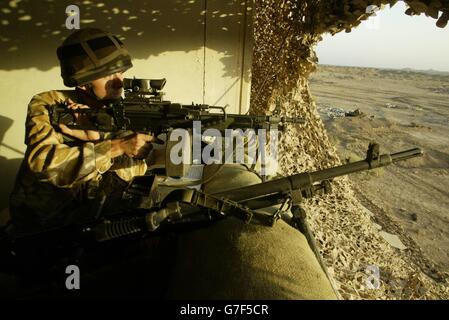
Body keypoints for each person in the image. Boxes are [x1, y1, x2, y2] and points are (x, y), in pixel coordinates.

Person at [8, 28, 157, 236]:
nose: (119, 81)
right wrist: (115, 147)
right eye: (109, 74)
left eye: (121, 72)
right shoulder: (51, 103)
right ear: (84, 82)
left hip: (98, 223)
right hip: (45, 225)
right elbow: (42, 164)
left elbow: (130, 175)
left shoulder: (124, 109)